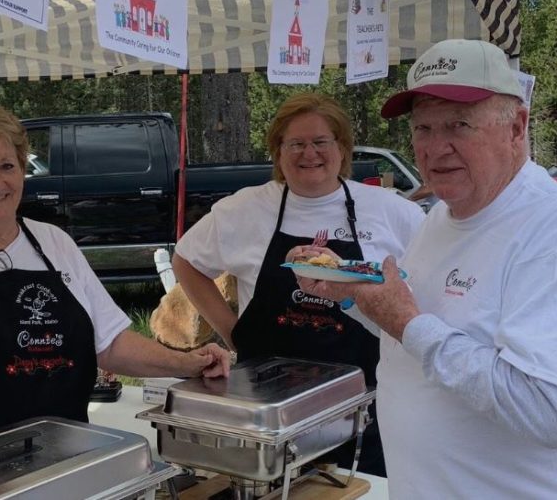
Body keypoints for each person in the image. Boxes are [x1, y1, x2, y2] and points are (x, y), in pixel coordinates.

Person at [297, 39, 557, 497]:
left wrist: (405, 322)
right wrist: (349, 291)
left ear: (516, 128)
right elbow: (422, 325)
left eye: (458, 125)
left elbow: (547, 409)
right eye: (422, 128)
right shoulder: (443, 215)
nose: (435, 147)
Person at [0, 97, 231, 456]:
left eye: (7, 166)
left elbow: (110, 343)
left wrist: (189, 363)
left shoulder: (54, 244)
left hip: (63, 464)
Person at [172, 92, 425, 476]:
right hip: (269, 418)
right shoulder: (244, 209)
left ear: (342, 148)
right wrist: (231, 331)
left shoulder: (393, 212)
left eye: (321, 141)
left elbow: (425, 287)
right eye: (296, 144)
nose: (309, 153)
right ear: (278, 151)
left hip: (363, 413)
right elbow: (186, 261)